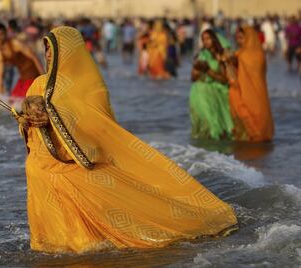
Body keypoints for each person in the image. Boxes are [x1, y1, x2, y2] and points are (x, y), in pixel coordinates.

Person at [13, 26, 237, 253]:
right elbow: (30, 125)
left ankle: (83, 244)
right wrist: (27, 121)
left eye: (52, 48)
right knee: (36, 171)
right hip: (44, 161)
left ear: (69, 50)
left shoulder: (90, 85)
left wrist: (53, 117)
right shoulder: (39, 83)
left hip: (76, 158)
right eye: (46, 49)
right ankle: (57, 244)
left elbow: (98, 126)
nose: (48, 54)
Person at [228, 26, 274, 142]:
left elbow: (255, 73)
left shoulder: (256, 55)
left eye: (242, 38)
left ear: (250, 38)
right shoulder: (240, 54)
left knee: (257, 120)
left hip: (256, 93)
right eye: (237, 38)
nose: (239, 41)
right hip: (243, 91)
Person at [189, 29, 234, 140]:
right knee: (206, 125)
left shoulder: (221, 57)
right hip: (200, 92)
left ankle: (217, 154)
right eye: (203, 39)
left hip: (216, 92)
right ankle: (203, 154)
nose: (206, 41)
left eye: (208, 38)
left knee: (218, 127)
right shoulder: (201, 55)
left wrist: (208, 70)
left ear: (214, 39)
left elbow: (224, 79)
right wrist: (198, 69)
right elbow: (193, 78)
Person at [0, 22, 43, 102]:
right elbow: (0, 76)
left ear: (5, 34)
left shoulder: (15, 43)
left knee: (23, 104)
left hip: (34, 77)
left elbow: (34, 57)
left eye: (0, 34)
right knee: (12, 103)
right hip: (23, 79)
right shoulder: (0, 54)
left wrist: (44, 78)